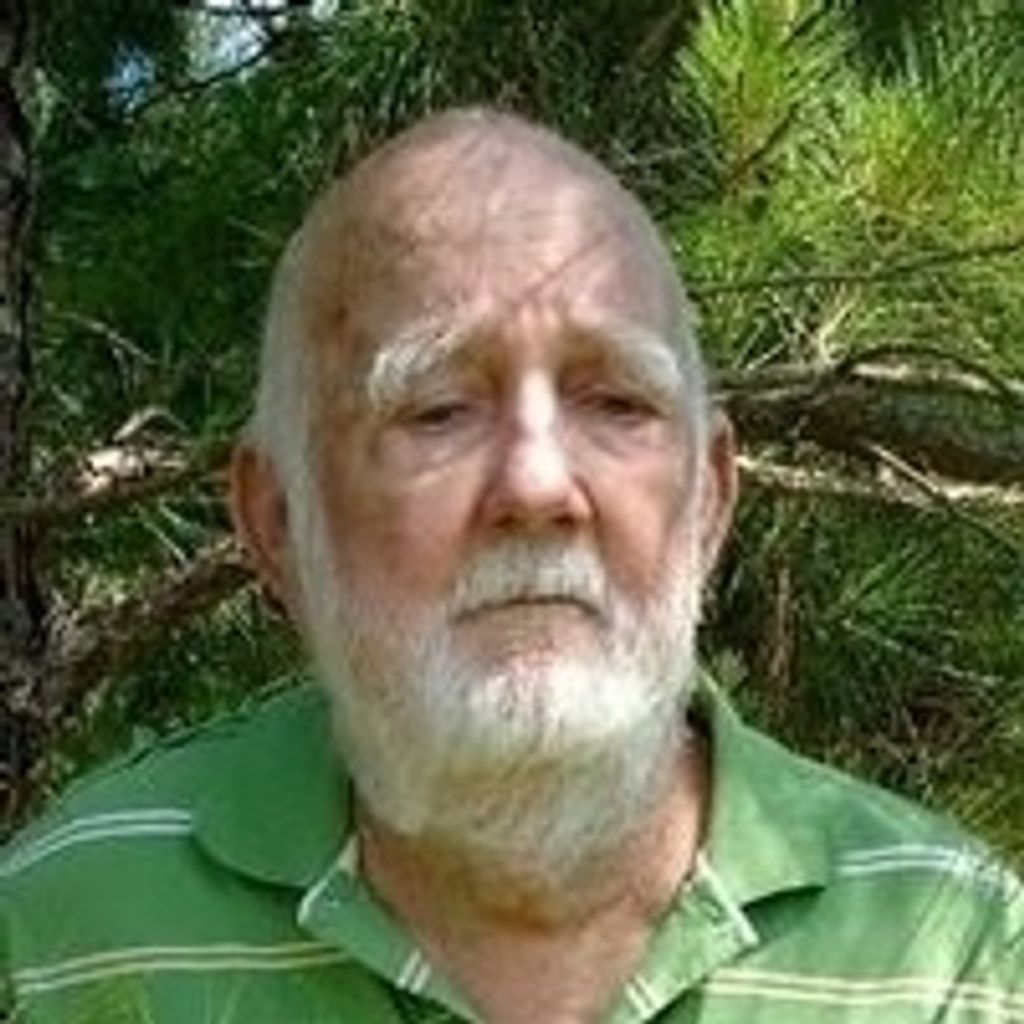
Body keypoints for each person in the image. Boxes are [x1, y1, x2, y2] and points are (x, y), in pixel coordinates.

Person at [3, 107, 1022, 1024]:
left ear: (709, 500)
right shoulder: (64, 934)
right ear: (278, 522)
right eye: (438, 410)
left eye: (617, 403)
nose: (537, 485)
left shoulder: (955, 960)